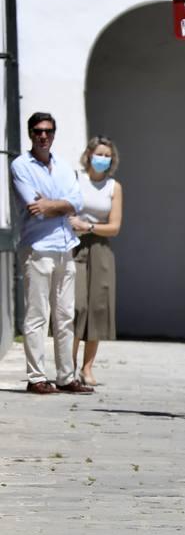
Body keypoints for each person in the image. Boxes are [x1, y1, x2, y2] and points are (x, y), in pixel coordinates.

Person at [10, 112, 91, 395]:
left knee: (65, 314)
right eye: (37, 131)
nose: (42, 136)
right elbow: (33, 206)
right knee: (37, 316)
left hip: (65, 247)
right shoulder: (20, 165)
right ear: (30, 134)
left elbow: (77, 202)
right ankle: (36, 378)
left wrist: (52, 205)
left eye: (47, 131)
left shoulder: (64, 167)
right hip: (38, 249)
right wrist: (62, 205)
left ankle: (66, 376)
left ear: (54, 133)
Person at [71, 136, 124, 387]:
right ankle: (68, 365)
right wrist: (75, 224)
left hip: (101, 248)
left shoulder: (114, 187)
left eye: (107, 155)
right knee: (76, 305)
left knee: (98, 307)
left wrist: (89, 225)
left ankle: (87, 368)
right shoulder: (76, 180)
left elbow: (114, 227)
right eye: (99, 154)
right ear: (89, 154)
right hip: (75, 246)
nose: (103, 159)